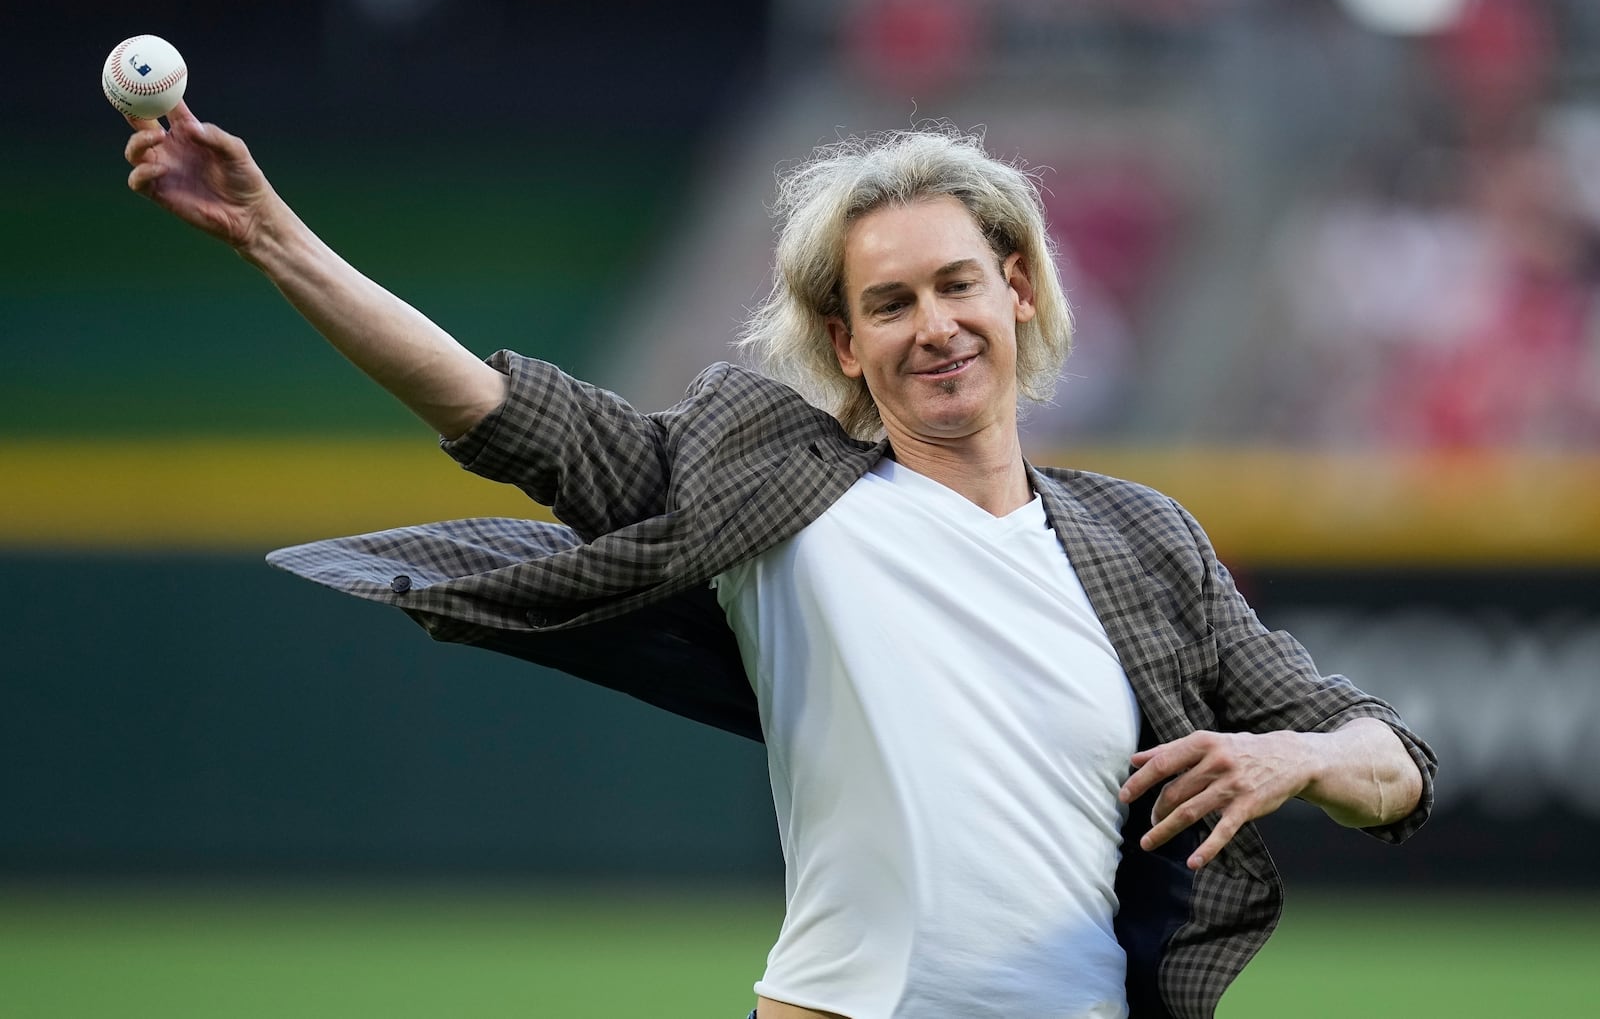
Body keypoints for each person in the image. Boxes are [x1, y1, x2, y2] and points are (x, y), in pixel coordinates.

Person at [122, 102, 1435, 1019]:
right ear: (845, 342)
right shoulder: (783, 496)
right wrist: (274, 239)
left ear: (1019, 289)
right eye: (889, 302)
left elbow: (1394, 765)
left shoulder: (1144, 542)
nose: (935, 325)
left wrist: (1305, 755)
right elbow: (502, 411)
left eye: (958, 283)